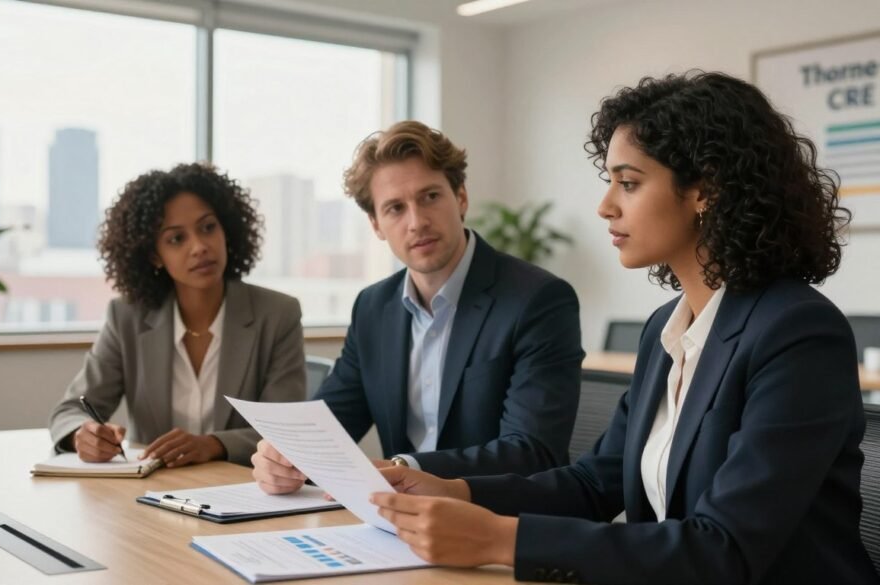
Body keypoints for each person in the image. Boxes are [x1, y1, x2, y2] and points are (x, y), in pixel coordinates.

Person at [371, 72, 879, 584]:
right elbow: (595, 483)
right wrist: (458, 491)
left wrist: (498, 538)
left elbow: (723, 549)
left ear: (706, 189)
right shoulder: (668, 327)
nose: (605, 205)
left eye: (629, 183)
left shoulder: (797, 332)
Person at [252, 121, 584, 494]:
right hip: (395, 523)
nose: (417, 222)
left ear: (460, 198)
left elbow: (533, 452)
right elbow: (328, 429)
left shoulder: (537, 299)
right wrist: (286, 457)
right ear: (376, 224)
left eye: (430, 197)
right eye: (395, 208)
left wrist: (404, 468)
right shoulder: (373, 307)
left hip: (495, 522)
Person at [49, 162, 305, 467]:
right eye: (176, 239)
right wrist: (84, 434)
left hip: (246, 493)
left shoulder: (277, 315)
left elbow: (288, 431)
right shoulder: (126, 317)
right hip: (153, 495)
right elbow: (69, 411)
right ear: (154, 255)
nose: (199, 247)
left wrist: (213, 445)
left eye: (208, 227)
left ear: (227, 231)